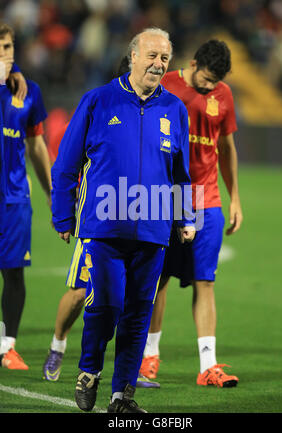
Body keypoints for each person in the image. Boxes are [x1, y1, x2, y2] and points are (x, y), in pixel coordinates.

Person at [51, 27, 195, 413]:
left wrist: (185, 216)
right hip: (105, 226)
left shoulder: (176, 110)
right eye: (151, 56)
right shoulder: (98, 101)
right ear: (133, 56)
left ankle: (122, 396)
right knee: (107, 306)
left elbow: (181, 173)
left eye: (164, 58)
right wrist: (63, 214)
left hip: (153, 229)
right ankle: (88, 371)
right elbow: (67, 163)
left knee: (138, 315)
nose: (158, 64)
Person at [139, 39, 243, 388]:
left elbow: (226, 147)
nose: (211, 87)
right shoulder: (166, 85)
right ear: (194, 63)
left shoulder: (224, 96)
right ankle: (149, 356)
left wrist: (235, 199)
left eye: (217, 81)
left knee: (206, 280)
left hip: (207, 198)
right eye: (208, 79)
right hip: (168, 197)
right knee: (159, 277)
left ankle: (208, 366)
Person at [0, 23, 52, 370]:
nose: (5, 54)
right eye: (0, 47)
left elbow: (35, 145)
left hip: (14, 197)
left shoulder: (28, 91)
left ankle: (8, 346)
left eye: (7, 47)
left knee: (14, 272)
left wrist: (53, 193)